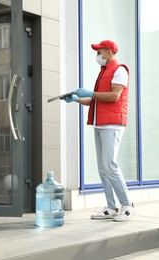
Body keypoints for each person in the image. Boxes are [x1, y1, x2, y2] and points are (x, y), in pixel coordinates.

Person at [62, 40, 135, 222]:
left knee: (109, 164)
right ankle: (111, 207)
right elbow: (96, 100)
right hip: (100, 124)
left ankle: (128, 205)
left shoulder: (119, 70)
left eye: (99, 51)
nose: (97, 55)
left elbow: (114, 96)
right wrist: (78, 99)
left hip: (112, 125)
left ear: (109, 52)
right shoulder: (103, 72)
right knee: (103, 168)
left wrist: (90, 93)